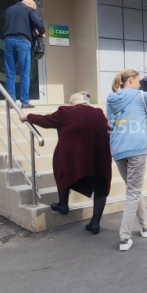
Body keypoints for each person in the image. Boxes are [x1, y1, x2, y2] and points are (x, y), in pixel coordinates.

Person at [22, 92, 113, 234]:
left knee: (62, 170)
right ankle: (95, 223)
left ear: (72, 103)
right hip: (98, 158)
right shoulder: (98, 112)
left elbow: (46, 121)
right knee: (101, 187)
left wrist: (28, 116)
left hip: (74, 158)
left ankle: (63, 205)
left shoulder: (66, 111)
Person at [106, 69, 147, 251]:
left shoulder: (111, 99)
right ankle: (124, 237)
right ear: (131, 80)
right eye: (138, 80)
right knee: (133, 192)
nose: (140, 84)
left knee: (133, 189)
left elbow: (109, 122)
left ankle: (145, 225)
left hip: (118, 149)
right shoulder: (141, 96)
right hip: (136, 149)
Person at [3, 0, 43, 109]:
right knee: (24, 73)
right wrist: (41, 32)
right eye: (34, 8)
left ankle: (11, 102)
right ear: (29, 4)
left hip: (8, 40)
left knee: (10, 73)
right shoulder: (28, 9)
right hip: (23, 41)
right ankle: (25, 102)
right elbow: (38, 22)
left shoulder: (9, 10)